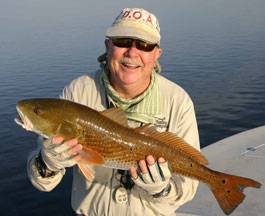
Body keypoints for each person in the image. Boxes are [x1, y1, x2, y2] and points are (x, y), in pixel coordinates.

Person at [27, 8, 200, 216]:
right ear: (108, 46)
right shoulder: (78, 91)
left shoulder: (178, 101)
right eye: (122, 41)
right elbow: (42, 182)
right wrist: (47, 163)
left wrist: (162, 189)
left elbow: (188, 188)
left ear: (156, 54)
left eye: (144, 45)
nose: (132, 52)